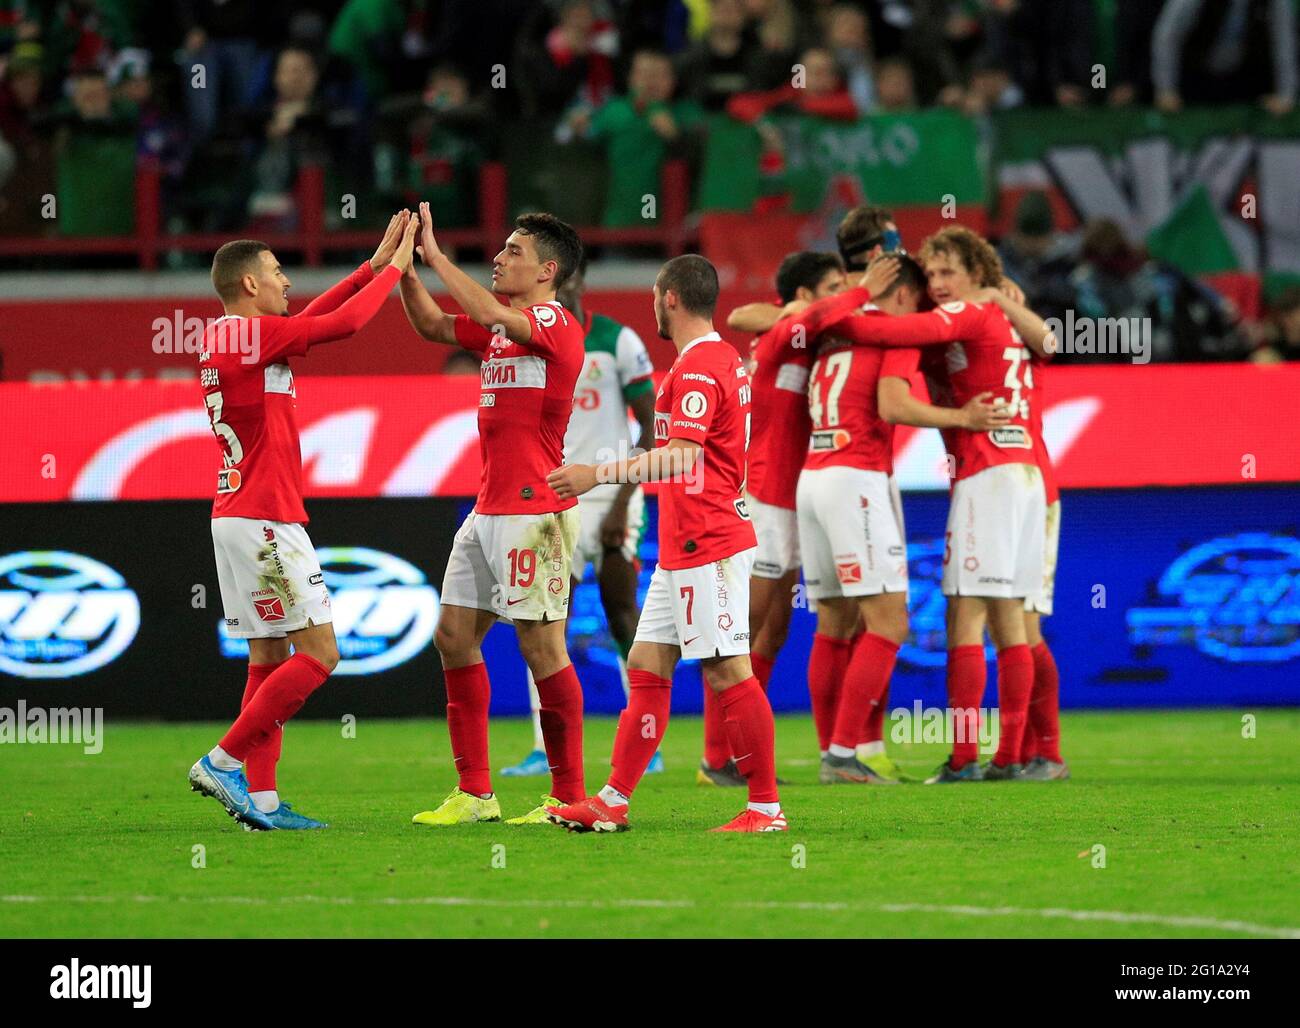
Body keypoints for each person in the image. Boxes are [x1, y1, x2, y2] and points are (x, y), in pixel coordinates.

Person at [188, 211, 417, 830]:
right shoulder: (247, 336)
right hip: (264, 516)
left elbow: (319, 314)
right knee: (320, 651)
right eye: (278, 272)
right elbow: (343, 324)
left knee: (267, 656)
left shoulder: (234, 337)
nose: (287, 282)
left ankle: (260, 801)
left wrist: (372, 264)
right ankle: (223, 759)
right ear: (249, 286)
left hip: (235, 513)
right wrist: (396, 270)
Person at [545, 255, 786, 833]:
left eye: (656, 294)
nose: (654, 304)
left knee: (729, 669)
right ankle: (613, 800)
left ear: (670, 297)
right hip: (684, 542)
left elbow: (684, 454)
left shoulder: (700, 366)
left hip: (710, 538)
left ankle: (765, 807)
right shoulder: (714, 359)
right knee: (648, 662)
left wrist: (595, 474)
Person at [818, 230, 1047, 782]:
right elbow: (1047, 343)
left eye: (949, 274)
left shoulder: (969, 314)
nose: (940, 285)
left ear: (977, 274)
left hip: (988, 472)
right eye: (934, 275)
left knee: (965, 618)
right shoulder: (1002, 316)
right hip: (1025, 474)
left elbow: (898, 328)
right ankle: (1012, 757)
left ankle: (968, 759)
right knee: (1010, 619)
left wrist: (832, 316)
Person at [398, 202, 590, 827]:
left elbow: (481, 308)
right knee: (453, 638)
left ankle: (569, 799)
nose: (502, 259)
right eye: (501, 248)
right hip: (487, 510)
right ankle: (476, 796)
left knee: (543, 650)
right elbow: (432, 324)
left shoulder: (556, 323)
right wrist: (405, 267)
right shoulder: (502, 329)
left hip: (535, 511)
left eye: (514, 252)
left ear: (548, 270)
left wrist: (436, 256)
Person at [501, 257, 660, 779]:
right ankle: (543, 747)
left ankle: (643, 737)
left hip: (609, 489)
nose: (561, 293)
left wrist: (622, 496)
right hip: (553, 493)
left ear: (580, 283)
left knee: (620, 614)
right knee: (545, 622)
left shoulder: (617, 341)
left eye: (568, 283)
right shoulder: (531, 340)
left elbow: (652, 425)